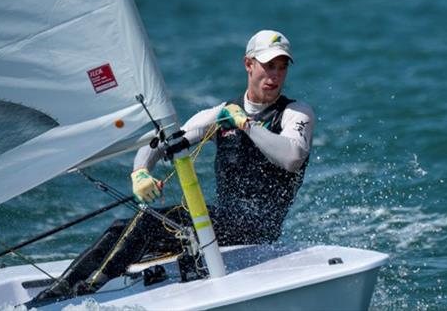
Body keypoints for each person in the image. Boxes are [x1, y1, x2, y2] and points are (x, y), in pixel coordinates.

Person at [32, 29, 314, 302]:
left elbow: (292, 157)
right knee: (122, 228)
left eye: (281, 67)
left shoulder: (294, 113)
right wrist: (140, 172)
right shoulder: (220, 114)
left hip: (257, 226)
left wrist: (246, 124)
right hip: (219, 223)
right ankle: (55, 294)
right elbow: (162, 140)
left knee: (147, 223)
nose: (275, 75)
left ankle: (86, 293)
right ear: (248, 64)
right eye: (268, 66)